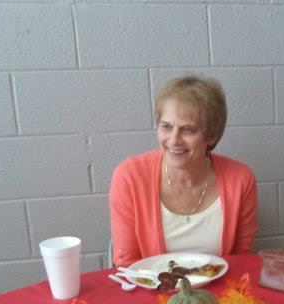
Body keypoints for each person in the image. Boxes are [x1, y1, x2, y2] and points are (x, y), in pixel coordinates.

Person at [109, 75, 259, 267]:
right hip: (151, 291)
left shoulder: (240, 180)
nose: (174, 140)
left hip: (218, 293)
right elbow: (128, 265)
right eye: (166, 127)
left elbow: (240, 261)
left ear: (211, 135)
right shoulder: (130, 178)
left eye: (188, 130)